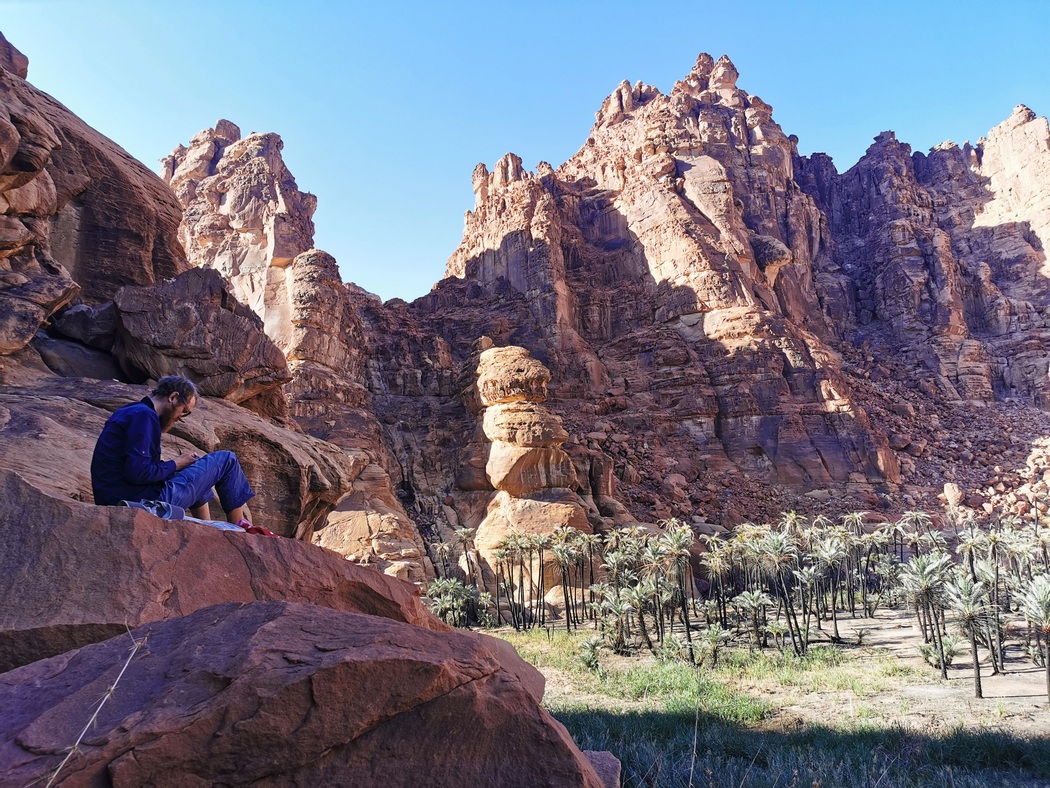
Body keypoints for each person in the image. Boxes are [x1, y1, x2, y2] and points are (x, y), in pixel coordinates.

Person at [91, 375, 258, 529]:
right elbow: (138, 473)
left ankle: (207, 527)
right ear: (173, 397)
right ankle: (238, 529)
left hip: (120, 497)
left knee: (193, 466)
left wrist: (178, 466)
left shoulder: (131, 411)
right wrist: (175, 464)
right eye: (184, 410)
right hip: (142, 504)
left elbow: (136, 468)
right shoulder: (144, 417)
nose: (181, 418)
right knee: (227, 459)